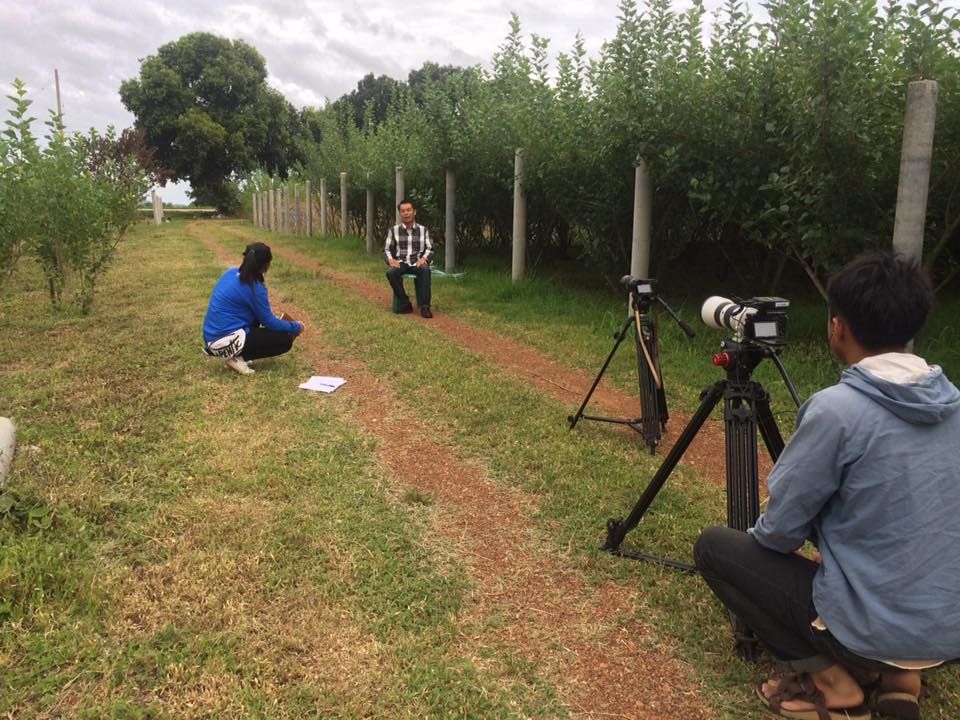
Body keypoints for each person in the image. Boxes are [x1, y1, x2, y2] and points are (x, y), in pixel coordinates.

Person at [693, 253, 960, 720]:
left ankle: (833, 684)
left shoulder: (836, 410)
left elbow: (778, 534)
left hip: (867, 636)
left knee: (715, 548)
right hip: (949, 634)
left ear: (838, 327)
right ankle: (902, 680)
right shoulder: (954, 405)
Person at [202, 242, 303, 376]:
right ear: (266, 265)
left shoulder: (230, 273)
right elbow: (269, 322)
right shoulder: (255, 287)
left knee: (256, 316)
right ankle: (235, 356)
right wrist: (296, 326)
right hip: (225, 341)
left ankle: (236, 354)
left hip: (211, 338)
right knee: (285, 340)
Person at [384, 199, 433, 318]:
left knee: (425, 270)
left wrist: (424, 259)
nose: (406, 213)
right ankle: (405, 302)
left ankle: (425, 307)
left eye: (408, 210)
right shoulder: (393, 230)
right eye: (403, 211)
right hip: (401, 262)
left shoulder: (424, 230)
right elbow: (386, 249)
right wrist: (390, 260)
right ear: (400, 213)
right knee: (391, 273)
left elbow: (430, 248)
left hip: (417, 262)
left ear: (414, 212)